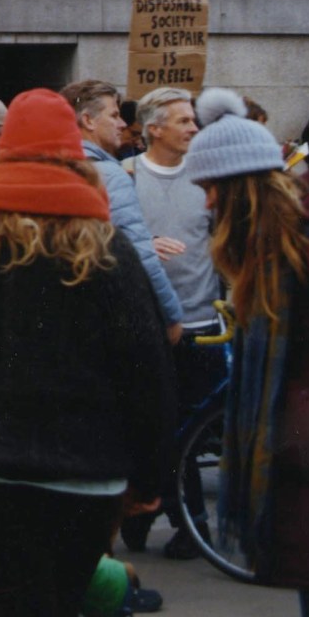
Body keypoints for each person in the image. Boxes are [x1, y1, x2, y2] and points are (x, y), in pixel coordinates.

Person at [0, 89, 173, 617]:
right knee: (57, 615)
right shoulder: (112, 254)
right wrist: (151, 476)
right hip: (79, 474)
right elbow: (149, 375)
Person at [184, 107, 309, 617]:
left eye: (211, 189)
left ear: (241, 188)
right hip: (308, 472)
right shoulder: (280, 250)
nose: (206, 204)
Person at [119, 85, 223, 558]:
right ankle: (140, 513)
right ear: (153, 129)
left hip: (203, 325)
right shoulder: (125, 178)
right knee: (149, 427)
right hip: (148, 329)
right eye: (184, 120)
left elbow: (225, 246)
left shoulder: (208, 181)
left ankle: (190, 523)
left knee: (192, 431)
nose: (194, 128)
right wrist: (142, 249)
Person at [62, 80, 183, 337]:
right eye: (114, 115)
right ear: (88, 120)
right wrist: (172, 316)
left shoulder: (55, 168)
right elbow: (141, 256)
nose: (122, 124)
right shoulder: (110, 176)